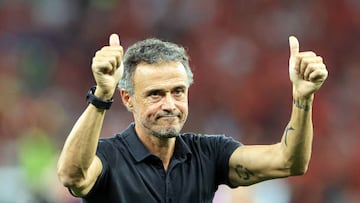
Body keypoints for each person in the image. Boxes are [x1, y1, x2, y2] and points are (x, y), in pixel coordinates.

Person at [57, 33, 328, 203]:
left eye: (178, 91)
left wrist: (303, 98)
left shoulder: (208, 154)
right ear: (128, 99)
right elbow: (72, 176)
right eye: (155, 94)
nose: (169, 105)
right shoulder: (107, 156)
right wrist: (103, 94)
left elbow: (288, 162)